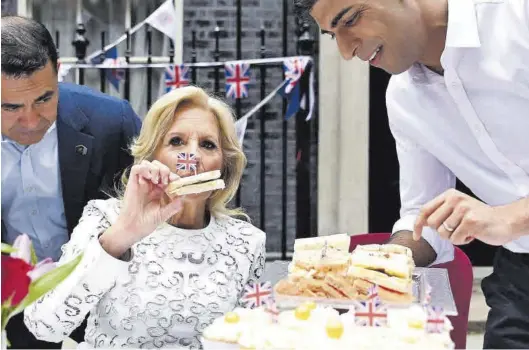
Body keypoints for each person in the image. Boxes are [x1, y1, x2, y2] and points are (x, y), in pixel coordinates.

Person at [297, 0, 529, 348]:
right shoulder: (404, 99)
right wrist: (383, 263)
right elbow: (421, 217)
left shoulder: (516, 17)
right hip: (520, 279)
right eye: (333, 36)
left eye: (350, 19)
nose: (347, 51)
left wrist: (511, 217)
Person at [23, 85, 267, 349]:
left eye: (207, 145)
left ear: (224, 165)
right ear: (152, 155)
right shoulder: (104, 218)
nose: (192, 157)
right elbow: (43, 325)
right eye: (176, 142)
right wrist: (120, 237)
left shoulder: (247, 242)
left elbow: (253, 336)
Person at [1, 15, 141, 349]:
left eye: (44, 99)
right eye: (10, 106)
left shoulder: (111, 121)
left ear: (59, 69)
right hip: (9, 311)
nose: (32, 120)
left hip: (99, 306)